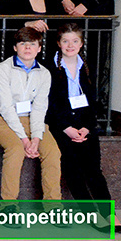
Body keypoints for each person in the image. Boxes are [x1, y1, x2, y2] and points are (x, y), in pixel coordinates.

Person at [0, 27, 61, 206]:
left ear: (39, 48)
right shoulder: (2, 69)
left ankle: (53, 206)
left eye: (32, 44)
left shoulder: (44, 73)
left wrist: (36, 137)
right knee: (15, 149)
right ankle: (9, 206)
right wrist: (24, 139)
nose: (27, 48)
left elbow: (39, 107)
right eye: (23, 44)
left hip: (31, 120)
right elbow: (5, 107)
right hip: (1, 119)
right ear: (15, 47)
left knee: (53, 152)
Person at [45, 24, 112, 216]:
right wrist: (66, 127)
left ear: (81, 43)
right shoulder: (50, 68)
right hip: (61, 127)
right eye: (65, 41)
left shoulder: (87, 66)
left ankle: (108, 212)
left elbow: (92, 102)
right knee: (73, 170)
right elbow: (49, 105)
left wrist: (86, 128)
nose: (70, 45)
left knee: (94, 170)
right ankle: (90, 213)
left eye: (75, 41)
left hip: (84, 126)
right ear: (58, 43)